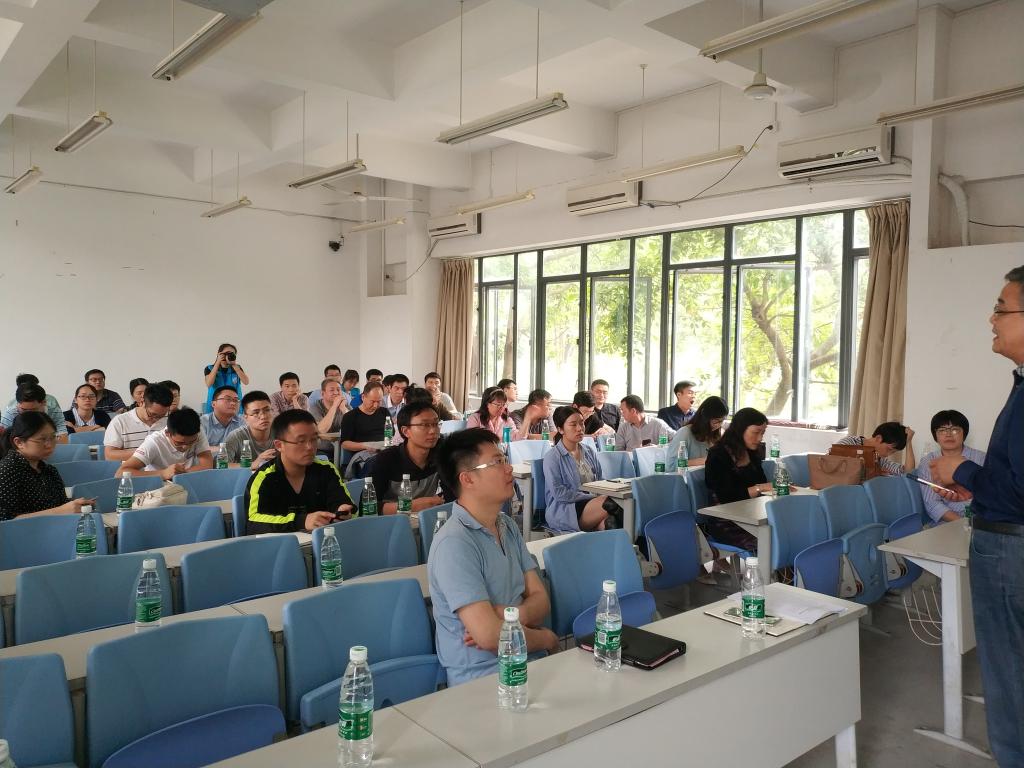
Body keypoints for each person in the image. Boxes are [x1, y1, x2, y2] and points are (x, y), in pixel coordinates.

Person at [929, 266, 1024, 766]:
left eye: (1001, 309)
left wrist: (963, 468)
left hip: (1010, 551)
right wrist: (976, 482)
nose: (992, 319)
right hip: (1006, 539)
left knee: (1009, 673)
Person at [428, 428, 559, 685]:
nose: (508, 468)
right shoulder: (454, 543)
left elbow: (542, 600)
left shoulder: (506, 525)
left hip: (529, 660)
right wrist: (546, 638)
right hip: (483, 678)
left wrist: (510, 616)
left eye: (505, 459)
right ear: (467, 479)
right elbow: (490, 637)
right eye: (497, 462)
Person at [244, 409, 355, 535]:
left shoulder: (326, 469)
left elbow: (342, 501)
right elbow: (254, 524)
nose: (310, 447)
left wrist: (342, 510)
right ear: (279, 445)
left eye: (314, 439)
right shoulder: (264, 478)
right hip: (281, 545)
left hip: (322, 542)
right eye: (301, 441)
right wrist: (301, 521)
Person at [0, 413, 96, 521]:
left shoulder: (49, 470)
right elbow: (5, 521)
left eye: (53, 437)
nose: (49, 445)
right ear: (19, 442)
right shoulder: (6, 471)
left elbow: (62, 506)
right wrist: (62, 511)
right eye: (42, 439)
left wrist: (76, 507)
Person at [542, 406, 617, 533]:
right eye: (573, 424)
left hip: (594, 504)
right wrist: (591, 497)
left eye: (582, 423)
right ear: (560, 429)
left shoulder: (589, 451)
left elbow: (600, 480)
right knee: (611, 503)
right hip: (566, 509)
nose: (579, 428)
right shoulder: (553, 457)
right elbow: (559, 493)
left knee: (610, 522)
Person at [369, 401, 448, 515]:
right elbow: (367, 507)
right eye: (424, 425)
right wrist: (411, 506)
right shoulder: (386, 459)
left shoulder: (441, 453)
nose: (433, 431)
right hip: (390, 521)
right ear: (406, 431)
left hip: (424, 519)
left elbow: (452, 492)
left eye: (436, 424)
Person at [915, 410, 985, 524]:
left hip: (981, 521)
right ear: (935, 436)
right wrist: (964, 524)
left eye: (955, 429)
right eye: (942, 430)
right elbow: (932, 504)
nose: (948, 434)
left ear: (964, 433)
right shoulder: (928, 462)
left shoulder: (982, 458)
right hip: (946, 523)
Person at [115, 408, 213, 479]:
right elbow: (120, 473)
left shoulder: (198, 433)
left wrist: (180, 474)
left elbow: (207, 465)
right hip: (158, 487)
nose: (185, 447)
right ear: (167, 433)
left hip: (188, 481)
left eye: (191, 442)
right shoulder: (154, 442)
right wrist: (163, 473)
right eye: (179, 443)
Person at [103, 382, 172, 462]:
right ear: (142, 401)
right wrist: (145, 452)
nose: (156, 419)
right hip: (132, 469)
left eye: (162, 415)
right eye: (152, 414)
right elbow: (109, 455)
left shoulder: (171, 420)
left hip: (165, 468)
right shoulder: (120, 421)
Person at [338, 381, 387, 475]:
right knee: (379, 463)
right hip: (364, 455)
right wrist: (366, 446)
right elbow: (345, 444)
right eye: (372, 401)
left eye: (379, 401)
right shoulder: (350, 416)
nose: (376, 405)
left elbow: (391, 436)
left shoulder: (384, 412)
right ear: (363, 397)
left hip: (384, 450)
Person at [667, 396, 728, 468]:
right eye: (715, 421)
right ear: (704, 415)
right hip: (689, 475)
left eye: (721, 421)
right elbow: (671, 465)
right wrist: (705, 460)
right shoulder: (685, 433)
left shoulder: (720, 433)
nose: (718, 425)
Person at [836, 421, 916, 475]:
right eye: (889, 449)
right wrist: (873, 473)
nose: (887, 455)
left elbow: (908, 473)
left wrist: (908, 442)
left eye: (893, 452)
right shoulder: (850, 443)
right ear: (878, 438)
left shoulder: (879, 459)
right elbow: (833, 465)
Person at [222, 391, 276, 469]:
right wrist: (253, 464)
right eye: (256, 413)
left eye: (267, 410)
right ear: (245, 417)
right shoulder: (236, 436)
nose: (263, 416)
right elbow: (223, 465)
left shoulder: (282, 432)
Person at [1, 383, 68, 442]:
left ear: (44, 403)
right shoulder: (11, 413)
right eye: (24, 409)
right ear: (17, 404)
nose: (28, 414)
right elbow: (4, 441)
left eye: (33, 410)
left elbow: (63, 439)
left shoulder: (54, 412)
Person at [203, 343, 249, 414]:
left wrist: (234, 365)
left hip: (234, 407)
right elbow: (209, 383)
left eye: (231, 354)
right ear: (219, 354)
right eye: (225, 354)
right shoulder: (210, 368)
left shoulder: (237, 368)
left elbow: (246, 382)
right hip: (215, 407)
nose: (227, 356)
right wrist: (217, 362)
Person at [308, 378, 349, 453]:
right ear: (323, 393)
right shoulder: (315, 407)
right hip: (321, 450)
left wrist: (343, 408)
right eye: (332, 390)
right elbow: (321, 430)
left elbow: (356, 426)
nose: (336, 393)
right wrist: (334, 406)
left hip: (343, 450)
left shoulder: (344, 405)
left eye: (338, 389)